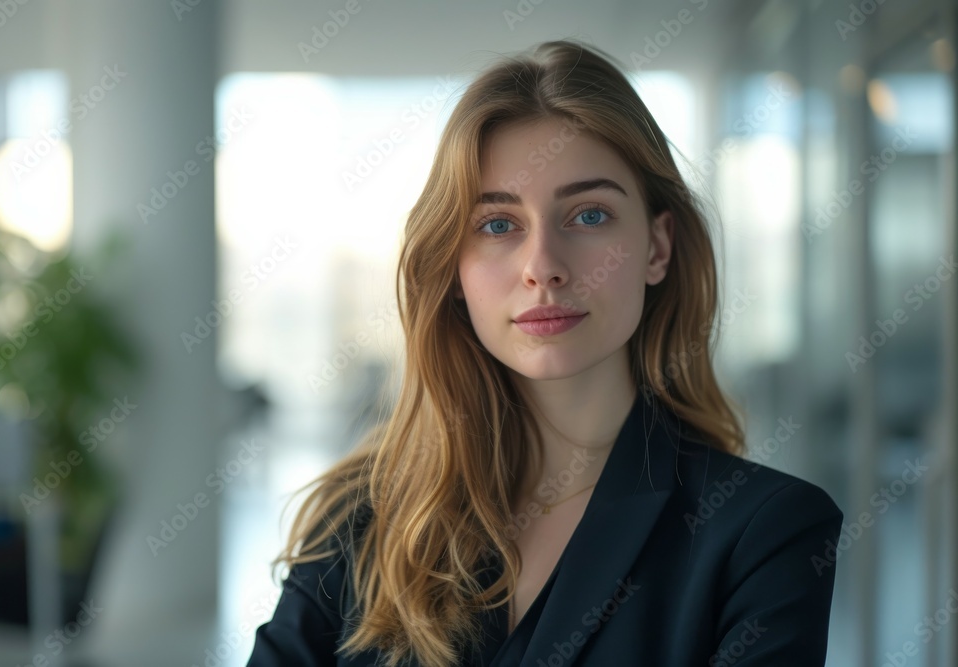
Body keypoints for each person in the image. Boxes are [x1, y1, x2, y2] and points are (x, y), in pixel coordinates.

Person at [246, 38, 844, 666]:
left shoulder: (764, 534)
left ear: (656, 248)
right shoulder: (360, 520)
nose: (543, 268)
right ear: (453, 268)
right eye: (498, 225)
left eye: (589, 216)